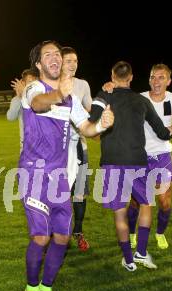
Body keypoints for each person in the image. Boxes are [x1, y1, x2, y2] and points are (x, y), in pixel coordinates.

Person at [21, 40, 114, 291]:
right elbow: (38, 105)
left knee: (62, 236)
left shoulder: (71, 98)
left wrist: (101, 124)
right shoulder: (34, 88)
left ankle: (47, 287)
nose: (54, 58)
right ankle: (31, 286)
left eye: (57, 55)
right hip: (35, 173)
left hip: (60, 175)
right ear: (39, 64)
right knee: (41, 238)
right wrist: (58, 92)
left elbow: (85, 127)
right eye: (47, 55)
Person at [90, 61, 172, 272]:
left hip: (112, 163)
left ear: (112, 75)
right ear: (131, 77)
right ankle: (142, 253)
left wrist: (103, 91)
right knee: (146, 204)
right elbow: (161, 131)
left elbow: (91, 122)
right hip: (137, 162)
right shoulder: (141, 101)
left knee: (120, 213)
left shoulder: (103, 96)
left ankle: (128, 260)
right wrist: (171, 131)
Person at [125, 64, 172, 249]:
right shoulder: (139, 99)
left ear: (168, 81)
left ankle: (160, 233)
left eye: (161, 77)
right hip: (139, 157)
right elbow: (118, 102)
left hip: (162, 156)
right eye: (153, 77)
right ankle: (131, 234)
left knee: (164, 201)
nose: (156, 81)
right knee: (137, 202)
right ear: (149, 79)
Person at [61, 46, 93, 252]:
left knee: (79, 194)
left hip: (80, 147)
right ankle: (60, 234)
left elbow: (90, 111)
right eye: (69, 61)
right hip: (59, 152)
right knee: (59, 195)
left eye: (75, 61)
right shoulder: (53, 85)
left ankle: (78, 231)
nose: (73, 64)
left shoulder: (82, 84)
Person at [6, 68, 38, 151]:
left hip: (42, 143)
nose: (32, 85)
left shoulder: (42, 97)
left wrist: (25, 94)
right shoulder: (16, 99)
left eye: (35, 82)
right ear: (22, 83)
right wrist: (20, 98)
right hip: (25, 146)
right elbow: (10, 117)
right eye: (30, 82)